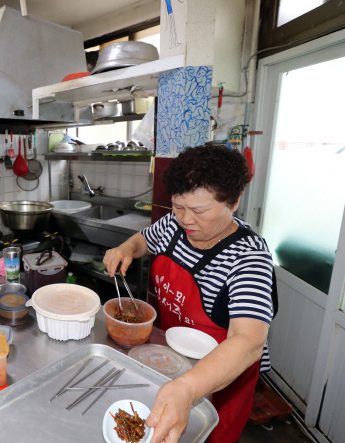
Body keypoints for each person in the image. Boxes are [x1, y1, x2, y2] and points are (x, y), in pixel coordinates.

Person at [103, 145, 277, 443]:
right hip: (172, 359)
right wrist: (126, 248)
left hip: (222, 379)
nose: (185, 220)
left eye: (199, 210)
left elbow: (248, 342)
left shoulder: (250, 260)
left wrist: (187, 388)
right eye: (178, 206)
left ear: (233, 202)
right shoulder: (173, 226)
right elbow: (143, 240)